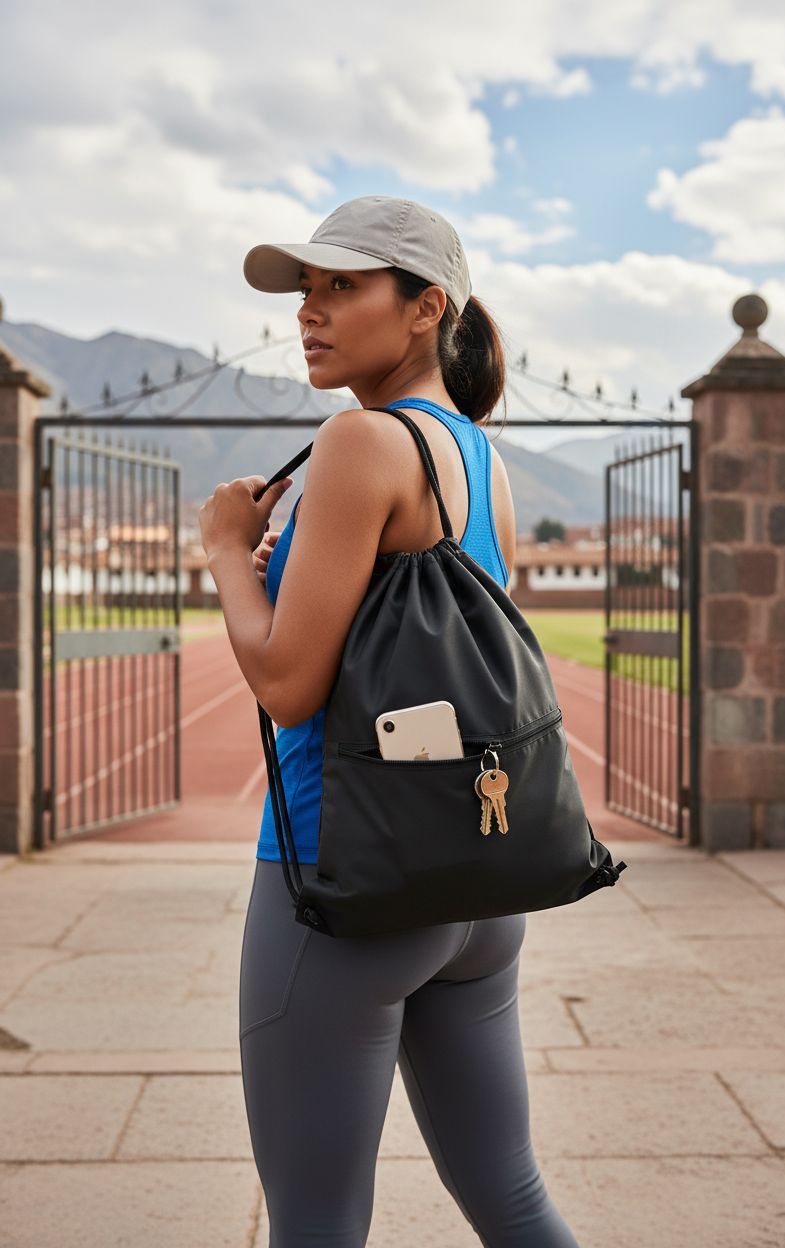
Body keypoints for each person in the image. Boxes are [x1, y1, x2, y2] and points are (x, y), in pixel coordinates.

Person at [198, 196, 581, 1247]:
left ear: (426, 309)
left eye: (341, 287)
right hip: (476, 890)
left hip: (341, 879)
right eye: (305, 291)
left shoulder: (360, 443)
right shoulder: (481, 461)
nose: (309, 314)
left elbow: (287, 685)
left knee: (315, 1225)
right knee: (511, 1198)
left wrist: (230, 551)